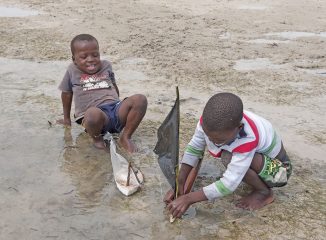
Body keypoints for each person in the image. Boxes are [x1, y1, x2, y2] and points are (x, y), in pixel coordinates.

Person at [164, 92, 292, 218]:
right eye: (209, 137)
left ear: (239, 128)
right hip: (258, 160)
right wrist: (180, 181)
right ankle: (257, 183)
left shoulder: (248, 138)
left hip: (279, 172)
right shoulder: (208, 123)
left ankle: (263, 192)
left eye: (219, 140)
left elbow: (229, 184)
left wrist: (189, 198)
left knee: (228, 157)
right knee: (229, 156)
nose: (213, 141)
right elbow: (195, 148)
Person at [57, 34, 147, 153]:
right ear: (74, 59)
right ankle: (98, 141)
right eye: (84, 57)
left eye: (95, 55)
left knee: (140, 99)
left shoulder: (106, 65)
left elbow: (113, 85)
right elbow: (66, 93)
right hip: (93, 118)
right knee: (92, 113)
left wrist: (120, 106)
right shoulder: (72, 70)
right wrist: (66, 119)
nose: (90, 59)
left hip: (115, 109)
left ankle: (125, 137)